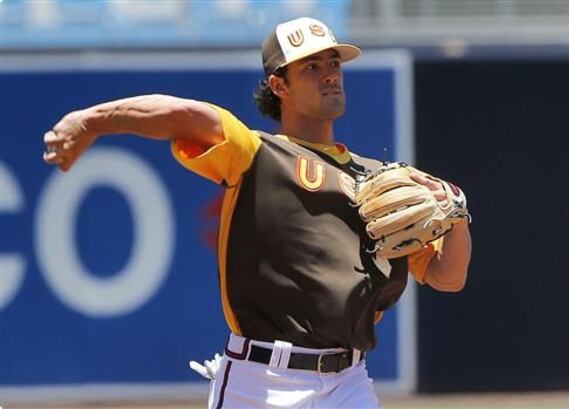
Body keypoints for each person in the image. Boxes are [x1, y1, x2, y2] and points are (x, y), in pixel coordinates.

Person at [43, 17, 471, 409]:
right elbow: (181, 113)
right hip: (262, 382)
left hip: (349, 382)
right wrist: (90, 121)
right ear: (279, 86)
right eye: (311, 67)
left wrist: (455, 210)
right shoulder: (256, 154)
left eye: (333, 62)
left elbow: (447, 277)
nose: (330, 74)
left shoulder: (381, 181)